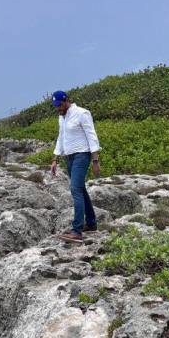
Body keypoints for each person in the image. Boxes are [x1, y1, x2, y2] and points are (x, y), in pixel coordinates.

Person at [49, 91, 101, 242]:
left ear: (66, 101)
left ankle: (76, 230)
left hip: (82, 155)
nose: (58, 109)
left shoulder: (82, 113)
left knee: (75, 189)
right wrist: (55, 158)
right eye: (56, 106)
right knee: (81, 189)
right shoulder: (62, 117)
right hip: (69, 157)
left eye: (59, 105)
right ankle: (91, 223)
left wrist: (95, 161)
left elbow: (92, 136)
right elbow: (61, 137)